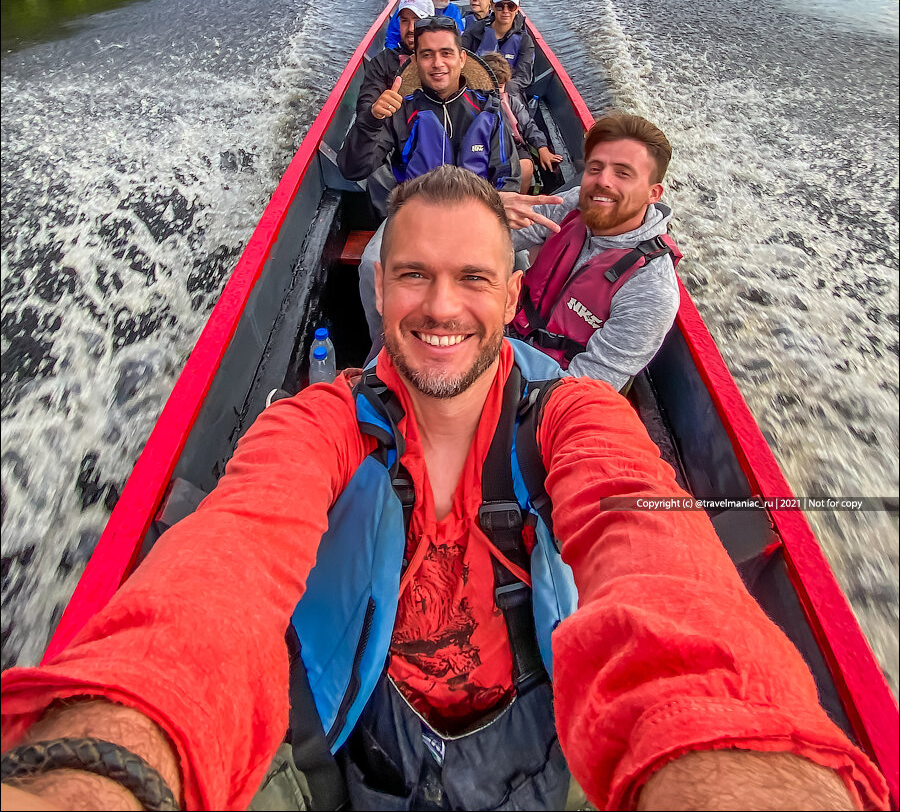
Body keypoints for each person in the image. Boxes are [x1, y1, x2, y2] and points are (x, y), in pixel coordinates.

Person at [0, 169, 883, 812]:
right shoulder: (317, 422)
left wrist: (737, 764)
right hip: (368, 733)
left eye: (472, 280)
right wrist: (101, 771)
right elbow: (227, 561)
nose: (442, 307)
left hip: (542, 741)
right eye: (414, 274)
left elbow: (654, 557)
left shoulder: (573, 415)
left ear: (512, 293)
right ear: (376, 289)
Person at [337, 18, 521, 343]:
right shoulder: (399, 112)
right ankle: (384, 352)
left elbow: (507, 177)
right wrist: (370, 120)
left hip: (476, 218)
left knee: (518, 263)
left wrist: (491, 220)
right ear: (416, 61)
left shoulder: (489, 110)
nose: (437, 63)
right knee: (369, 266)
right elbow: (352, 169)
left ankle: (493, 345)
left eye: (446, 53)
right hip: (414, 216)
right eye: (427, 55)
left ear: (462, 58)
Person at [509, 112, 681, 391]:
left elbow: (582, 388)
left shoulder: (651, 289)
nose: (603, 181)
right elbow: (499, 238)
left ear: (654, 193)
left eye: (622, 173)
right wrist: (490, 211)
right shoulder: (574, 203)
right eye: (595, 168)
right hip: (508, 333)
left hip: (548, 388)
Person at [482, 52, 562, 193]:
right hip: (486, 149)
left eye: (501, 87)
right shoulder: (475, 104)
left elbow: (528, 125)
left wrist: (542, 147)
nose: (497, 93)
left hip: (512, 146)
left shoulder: (512, 102)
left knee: (525, 166)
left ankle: (520, 197)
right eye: (492, 88)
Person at [355, 0, 435, 119]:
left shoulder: (443, 62)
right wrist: (375, 112)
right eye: (404, 21)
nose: (410, 28)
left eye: (417, 20)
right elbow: (366, 103)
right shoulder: (382, 62)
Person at [462, 0, 535, 96]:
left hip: (508, 94)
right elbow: (460, 60)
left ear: (517, 7)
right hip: (475, 90)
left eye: (511, 6)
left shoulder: (524, 41)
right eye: (500, 6)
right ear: (492, 5)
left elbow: (523, 77)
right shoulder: (474, 31)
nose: (505, 11)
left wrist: (501, 90)